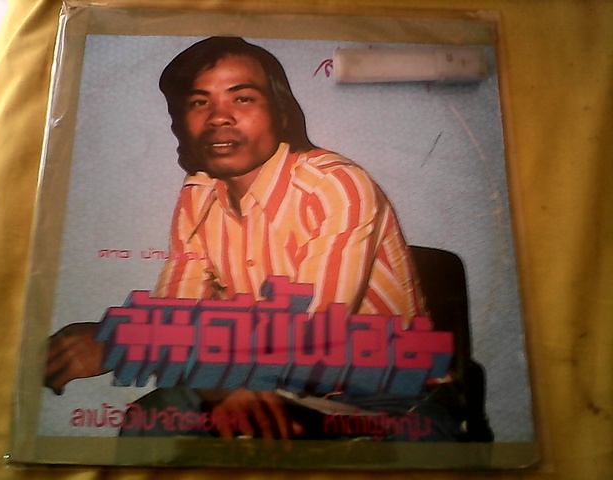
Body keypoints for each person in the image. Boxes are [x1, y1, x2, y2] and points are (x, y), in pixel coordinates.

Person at [46, 37, 462, 441]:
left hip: (392, 398)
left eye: (242, 98)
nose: (218, 117)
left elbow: (309, 336)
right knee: (151, 419)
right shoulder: (198, 196)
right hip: (275, 385)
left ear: (281, 112)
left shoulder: (334, 185)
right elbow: (177, 313)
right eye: (199, 102)